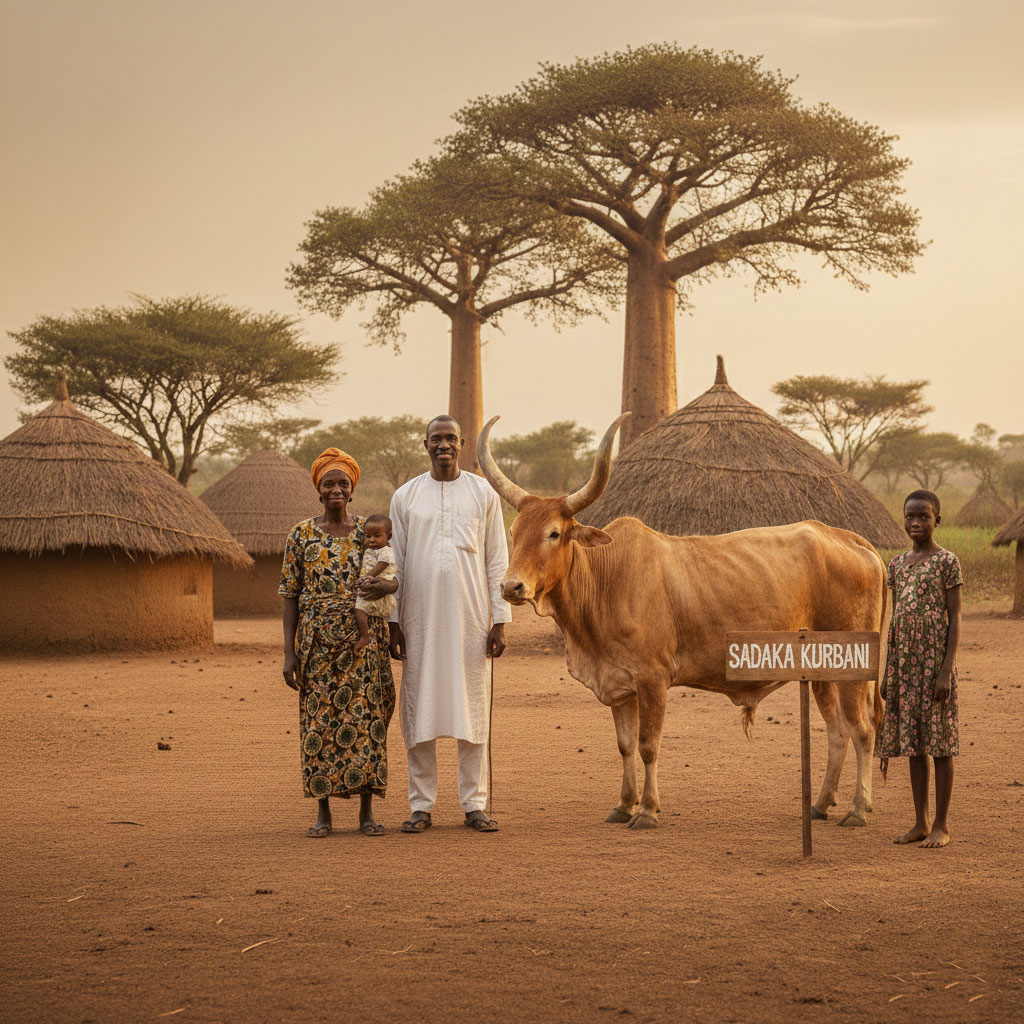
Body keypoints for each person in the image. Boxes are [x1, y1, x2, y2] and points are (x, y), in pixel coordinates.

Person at [388, 415, 511, 834]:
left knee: (472, 711)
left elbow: (497, 559)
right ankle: (420, 806)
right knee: (418, 711)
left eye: (451, 439)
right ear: (424, 445)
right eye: (436, 439)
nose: (444, 445)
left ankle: (474, 804)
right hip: (418, 619)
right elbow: (396, 562)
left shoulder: (483, 494)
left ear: (462, 445)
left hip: (472, 619)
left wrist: (500, 620)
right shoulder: (405, 497)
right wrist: (393, 620)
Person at [280, 448, 399, 838]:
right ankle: (323, 812)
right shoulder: (301, 534)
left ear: (352, 490)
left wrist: (389, 584)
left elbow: (395, 573)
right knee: (319, 722)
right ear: (318, 489)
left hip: (364, 643)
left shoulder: (370, 531)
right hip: (316, 643)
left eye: (342, 483)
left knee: (367, 722)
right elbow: (290, 593)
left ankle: (367, 812)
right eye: (328, 483)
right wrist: (289, 652)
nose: (335, 489)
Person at [880, 489, 962, 849]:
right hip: (904, 666)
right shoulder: (896, 565)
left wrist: (946, 670)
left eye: (924, 517)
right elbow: (896, 620)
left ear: (937, 521)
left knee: (940, 744)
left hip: (934, 667)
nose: (916, 523)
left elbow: (955, 618)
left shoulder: (947, 562)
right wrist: (888, 672)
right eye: (910, 516)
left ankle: (942, 825)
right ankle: (920, 823)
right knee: (914, 746)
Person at [354, 513, 397, 652]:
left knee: (359, 609)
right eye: (368, 536)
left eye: (377, 536)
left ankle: (365, 636)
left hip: (377, 585)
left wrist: (367, 577)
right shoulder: (372, 550)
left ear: (388, 536)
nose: (371, 540)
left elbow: (382, 565)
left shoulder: (386, 551)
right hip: (370, 582)